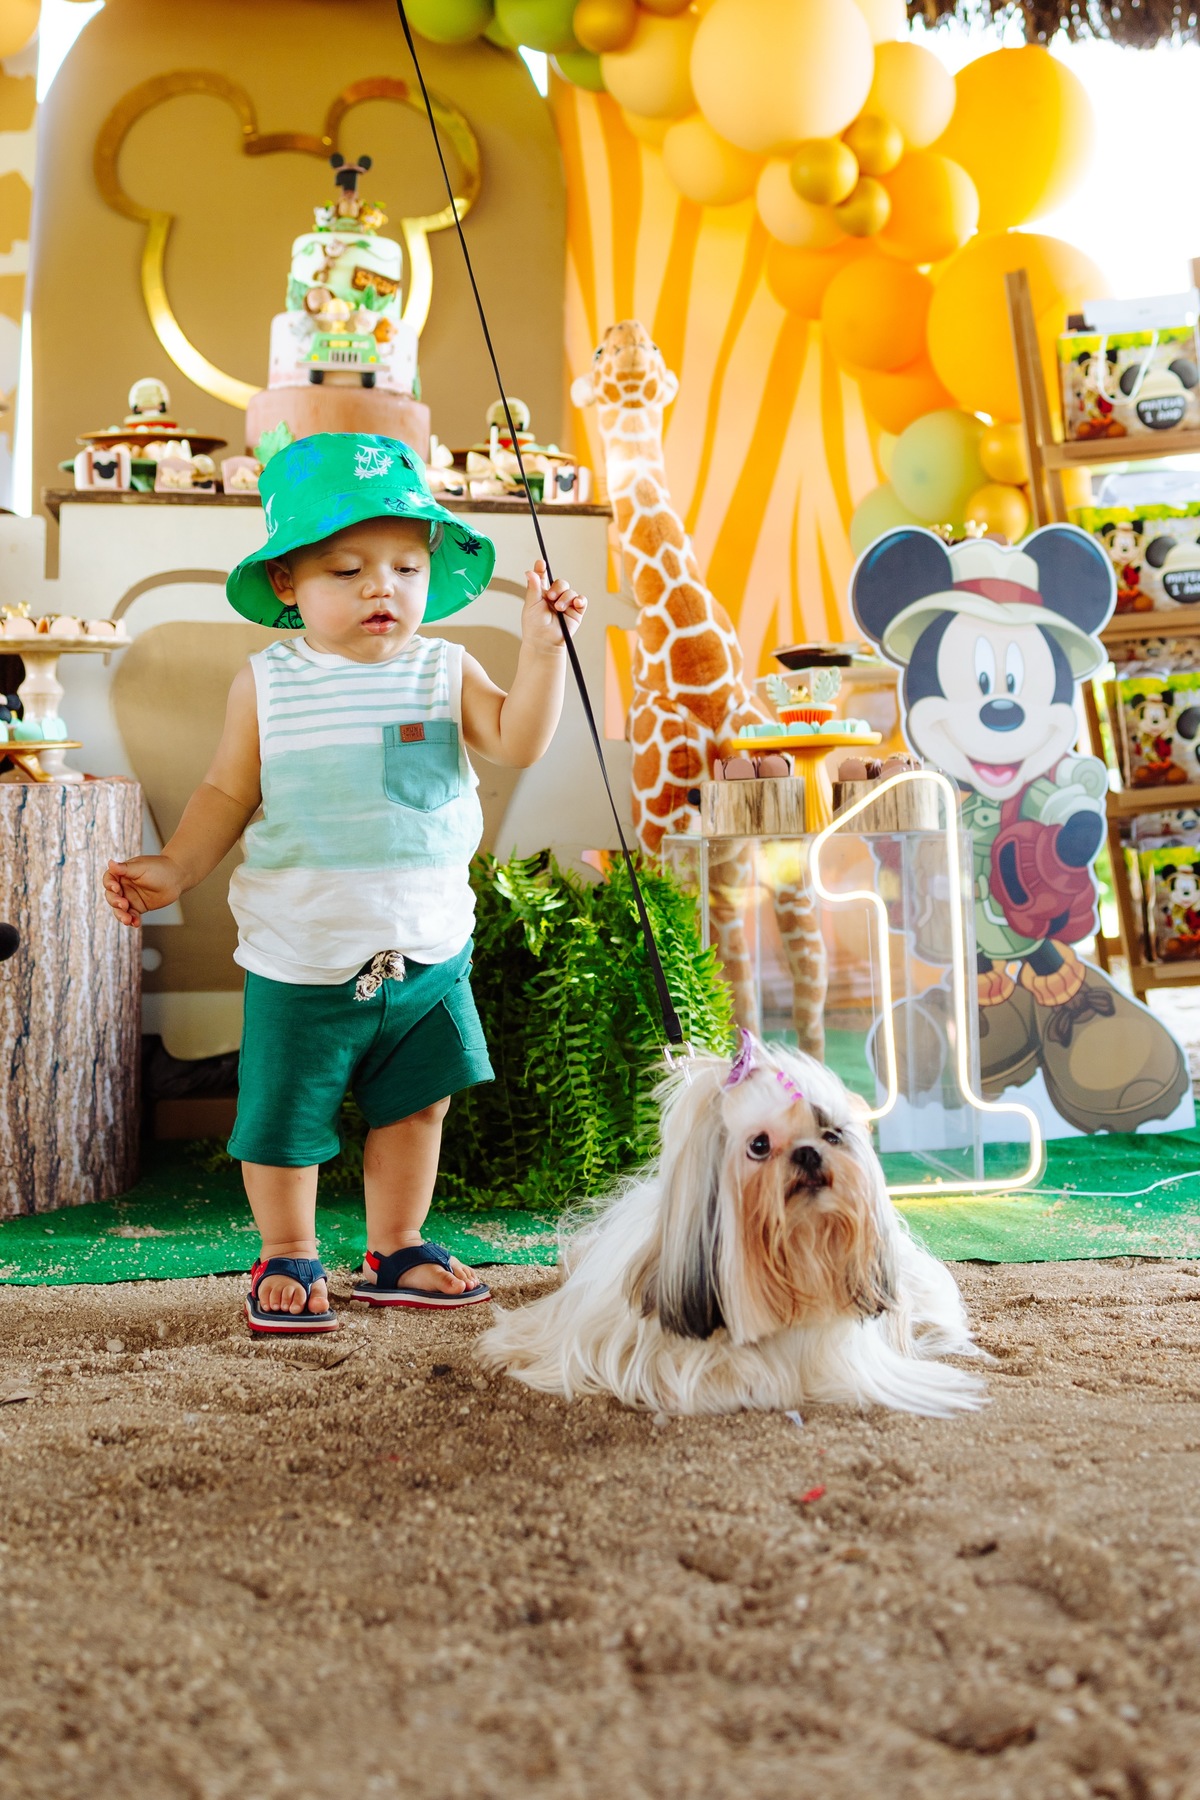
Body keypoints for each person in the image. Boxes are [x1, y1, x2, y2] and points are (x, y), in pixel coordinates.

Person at [103, 433, 587, 1334]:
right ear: (288, 582)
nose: (383, 588)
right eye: (348, 569)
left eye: (407, 566)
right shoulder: (269, 684)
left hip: (426, 945)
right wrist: (174, 866)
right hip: (303, 952)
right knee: (286, 1116)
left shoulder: (444, 668)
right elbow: (224, 793)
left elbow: (518, 738)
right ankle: (286, 1250)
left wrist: (543, 651)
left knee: (417, 1105)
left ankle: (395, 1245)